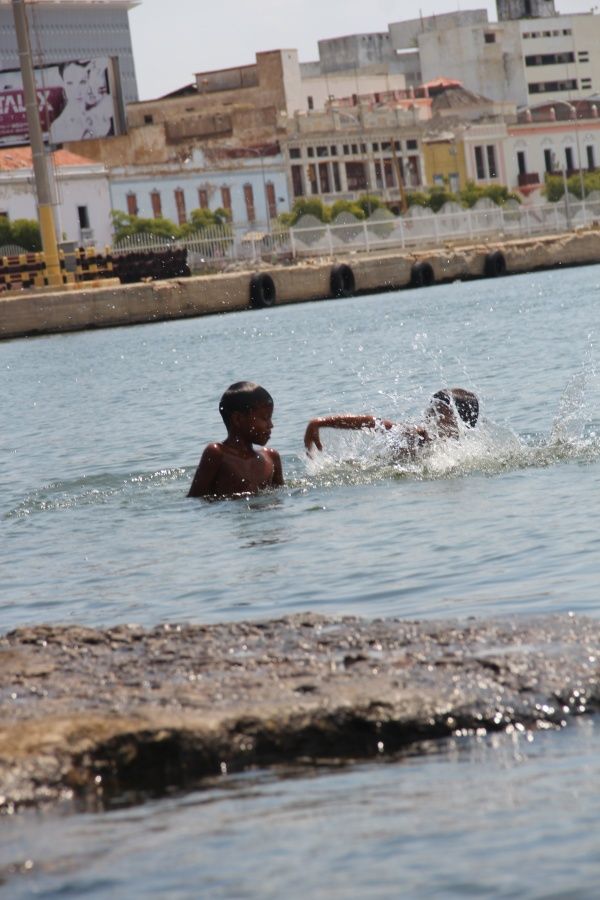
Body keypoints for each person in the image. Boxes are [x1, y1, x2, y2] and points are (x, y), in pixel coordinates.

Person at [304, 387, 479, 456]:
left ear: (459, 422)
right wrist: (319, 422)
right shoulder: (417, 437)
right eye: (430, 408)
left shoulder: (470, 452)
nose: (430, 414)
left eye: (439, 411)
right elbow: (371, 422)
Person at [188, 382, 284, 499]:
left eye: (270, 417)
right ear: (238, 419)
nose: (271, 425)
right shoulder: (216, 454)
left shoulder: (272, 458)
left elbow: (280, 496)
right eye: (265, 418)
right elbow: (195, 499)